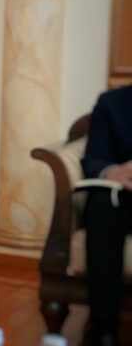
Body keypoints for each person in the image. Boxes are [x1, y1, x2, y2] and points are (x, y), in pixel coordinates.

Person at [80, 84, 132, 346]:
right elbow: (93, 159)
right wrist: (113, 171)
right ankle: (104, 330)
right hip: (125, 196)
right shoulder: (112, 103)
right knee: (101, 206)